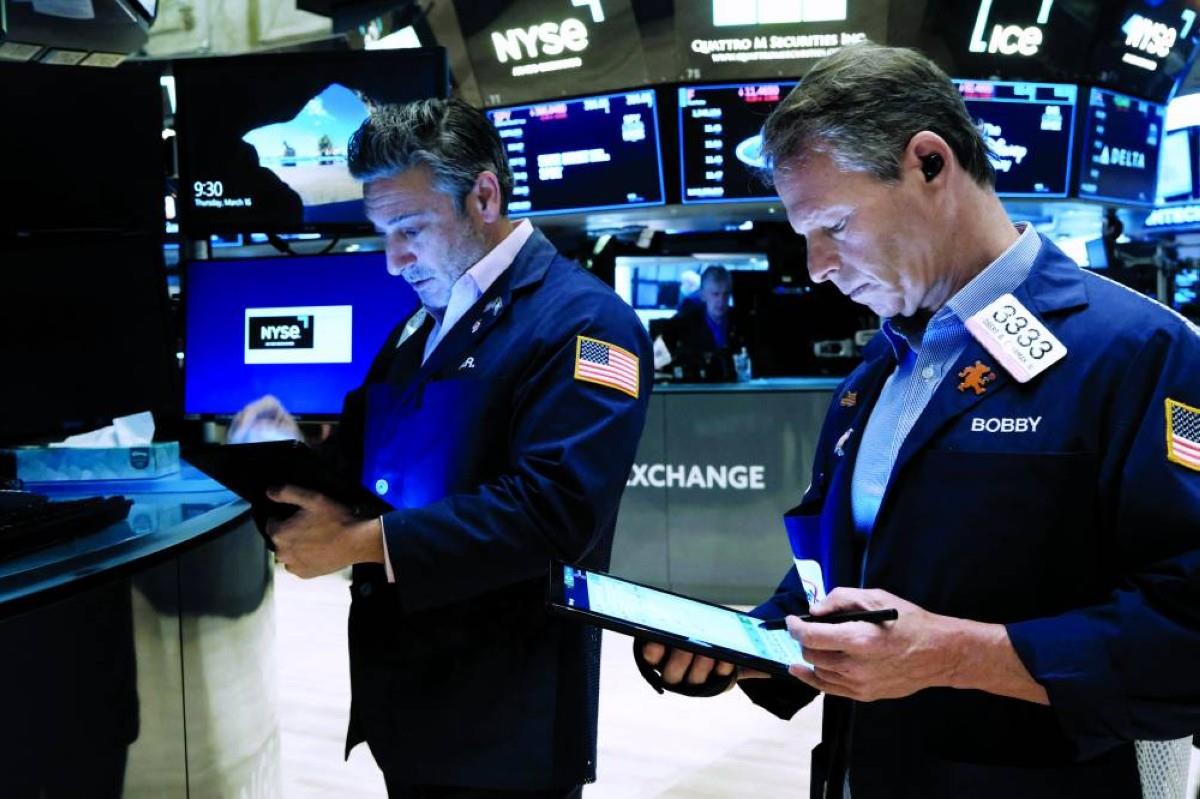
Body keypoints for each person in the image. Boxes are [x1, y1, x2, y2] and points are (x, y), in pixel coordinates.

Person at [636, 43, 1200, 798]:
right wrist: (755, 642)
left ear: (930, 163)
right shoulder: (880, 368)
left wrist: (954, 654)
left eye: (835, 224)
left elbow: (1185, 630)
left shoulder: (1140, 351)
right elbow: (852, 570)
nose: (817, 267)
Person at [230, 98, 652, 797]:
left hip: (508, 717)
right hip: (410, 702)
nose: (393, 261)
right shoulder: (417, 329)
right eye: (382, 234)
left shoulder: (587, 323)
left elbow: (556, 511)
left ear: (483, 196)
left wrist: (363, 543)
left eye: (411, 228)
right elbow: (360, 469)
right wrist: (281, 456)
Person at [662, 265, 745, 381]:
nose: (721, 301)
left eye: (726, 294)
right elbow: (657, 363)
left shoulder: (742, 323)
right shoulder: (682, 324)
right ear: (703, 295)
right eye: (715, 294)